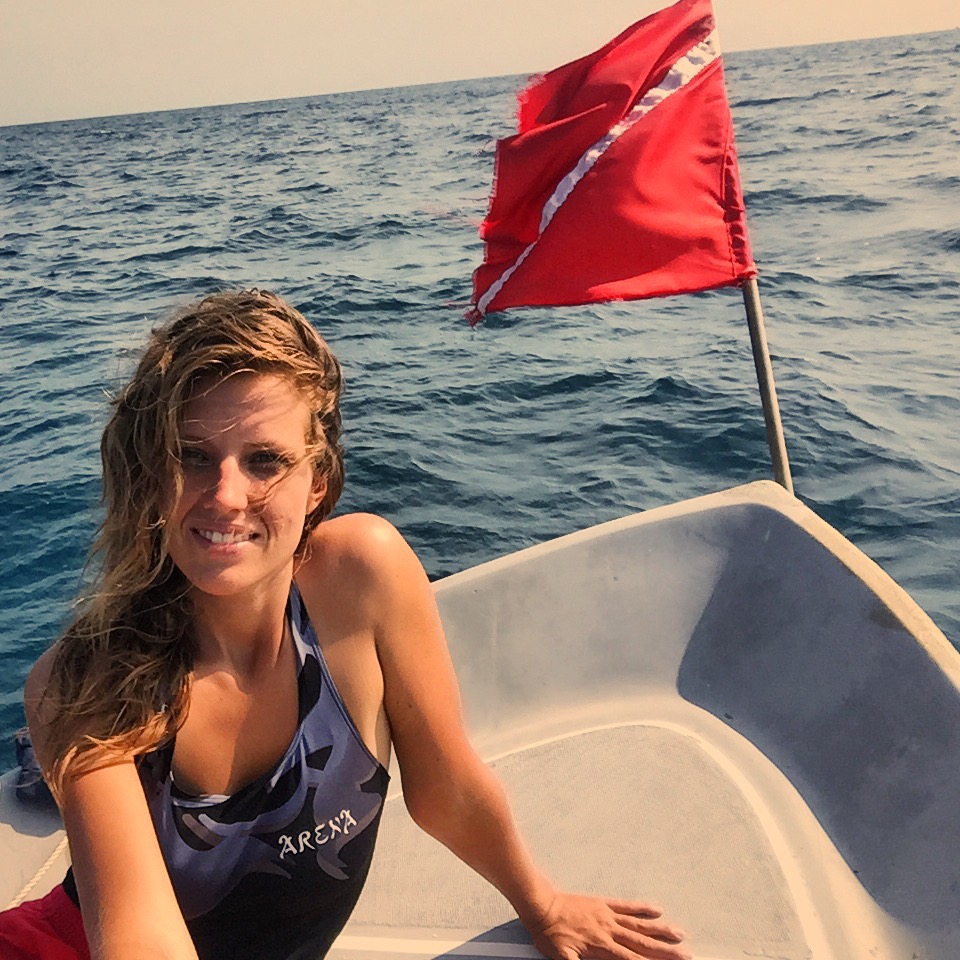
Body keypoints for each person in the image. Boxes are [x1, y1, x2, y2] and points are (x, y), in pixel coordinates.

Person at [1, 290, 690, 960]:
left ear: (318, 485)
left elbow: (447, 789)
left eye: (265, 460)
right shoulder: (82, 683)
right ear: (152, 475)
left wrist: (542, 904)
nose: (226, 495)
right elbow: (140, 938)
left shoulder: (361, 578)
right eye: (192, 456)